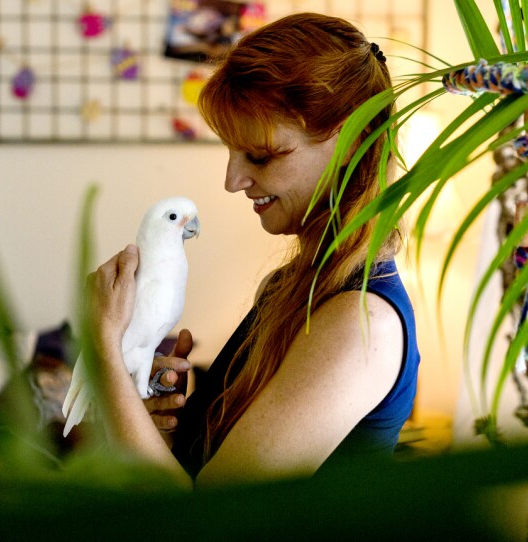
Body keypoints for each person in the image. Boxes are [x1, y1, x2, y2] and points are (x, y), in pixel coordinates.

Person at [84, 12, 420, 488]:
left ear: (350, 141)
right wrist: (165, 427)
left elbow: (210, 525)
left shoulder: (361, 323)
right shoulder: (287, 289)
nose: (232, 181)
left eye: (259, 156)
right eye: (232, 152)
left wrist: (103, 351)